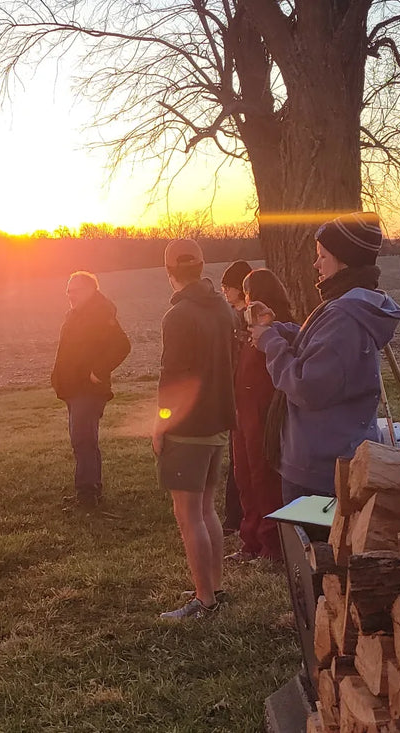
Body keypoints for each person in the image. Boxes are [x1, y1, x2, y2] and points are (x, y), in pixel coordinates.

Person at [250, 212, 400, 503]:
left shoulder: (344, 316)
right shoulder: (351, 307)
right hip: (333, 457)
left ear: (344, 259)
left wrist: (271, 343)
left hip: (320, 469)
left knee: (313, 547)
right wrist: (279, 330)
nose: (316, 265)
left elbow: (307, 387)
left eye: (322, 256)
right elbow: (322, 349)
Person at [153, 239, 237, 620]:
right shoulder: (222, 308)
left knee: (188, 514)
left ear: (169, 271)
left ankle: (204, 601)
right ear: (202, 266)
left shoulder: (178, 316)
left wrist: (160, 424)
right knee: (206, 508)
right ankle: (215, 588)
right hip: (220, 421)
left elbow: (172, 379)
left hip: (188, 428)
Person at [51, 271, 131, 513]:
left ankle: (87, 496)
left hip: (88, 390)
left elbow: (122, 345)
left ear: (90, 290)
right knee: (83, 440)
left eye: (74, 291)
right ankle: (90, 489)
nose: (70, 295)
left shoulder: (100, 313)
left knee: (84, 440)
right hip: (74, 388)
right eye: (68, 291)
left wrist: (98, 371)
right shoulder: (76, 314)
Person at [226, 268, 292, 563]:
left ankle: (272, 545)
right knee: (244, 478)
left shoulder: (279, 328)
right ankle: (250, 540)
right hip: (244, 412)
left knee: (264, 478)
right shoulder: (249, 329)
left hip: (265, 413)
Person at [220, 259, 253, 536]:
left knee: (239, 460)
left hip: (244, 396)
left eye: (228, 287)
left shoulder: (246, 319)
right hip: (237, 394)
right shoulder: (237, 317)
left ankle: (235, 518)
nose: (225, 293)